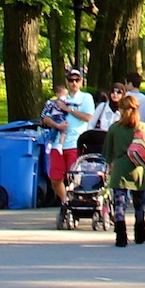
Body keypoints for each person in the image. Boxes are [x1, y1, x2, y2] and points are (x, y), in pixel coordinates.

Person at [42, 67, 96, 203]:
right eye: (71, 80)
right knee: (55, 179)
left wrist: (68, 109)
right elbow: (45, 118)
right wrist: (58, 126)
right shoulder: (60, 99)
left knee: (75, 178)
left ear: (81, 81)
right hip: (57, 144)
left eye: (77, 80)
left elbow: (88, 117)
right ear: (67, 82)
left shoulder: (86, 98)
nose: (74, 83)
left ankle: (76, 201)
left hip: (75, 143)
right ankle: (66, 202)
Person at [107, 96, 145, 245]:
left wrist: (109, 167)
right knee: (139, 203)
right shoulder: (142, 128)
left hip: (120, 169)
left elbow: (108, 153)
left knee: (120, 204)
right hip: (138, 169)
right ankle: (140, 232)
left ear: (121, 109)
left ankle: (121, 236)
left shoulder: (114, 128)